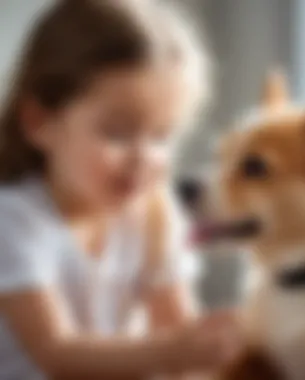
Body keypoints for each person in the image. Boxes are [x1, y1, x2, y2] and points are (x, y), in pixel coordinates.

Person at [0, 0, 244, 379]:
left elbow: (179, 338)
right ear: (39, 124)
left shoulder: (154, 215)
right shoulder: (14, 219)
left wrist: (217, 349)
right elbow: (57, 354)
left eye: (162, 136)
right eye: (117, 133)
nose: (144, 158)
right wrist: (177, 350)